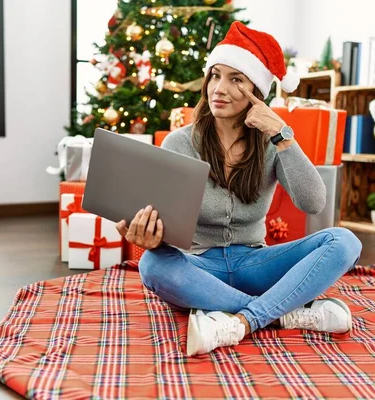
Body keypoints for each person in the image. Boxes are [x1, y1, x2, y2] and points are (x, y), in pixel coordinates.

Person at [115, 21, 362, 357]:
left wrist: (282, 133)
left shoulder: (272, 143)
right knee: (152, 266)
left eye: (236, 79)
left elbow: (314, 202)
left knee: (344, 241)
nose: (219, 87)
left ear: (256, 93)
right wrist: (150, 236)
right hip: (200, 266)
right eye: (215, 75)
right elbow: (168, 225)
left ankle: (242, 321)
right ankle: (281, 314)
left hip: (256, 264)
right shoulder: (180, 142)